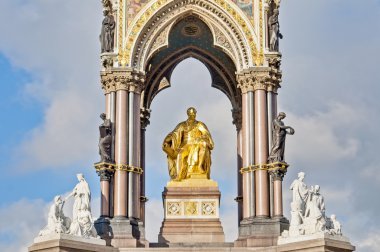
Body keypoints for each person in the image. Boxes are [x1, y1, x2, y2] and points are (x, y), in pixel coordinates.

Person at [163, 107, 214, 181]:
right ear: (187, 114)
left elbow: (206, 135)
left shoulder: (200, 124)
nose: (192, 115)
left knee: (203, 144)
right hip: (185, 145)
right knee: (180, 154)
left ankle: (200, 167)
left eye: (193, 113)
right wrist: (167, 140)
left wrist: (201, 138)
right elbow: (174, 134)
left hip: (197, 144)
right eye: (190, 114)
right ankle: (178, 176)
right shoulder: (182, 125)